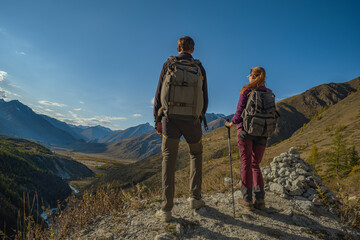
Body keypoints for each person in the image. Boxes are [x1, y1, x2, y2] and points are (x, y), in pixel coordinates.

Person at [153, 36, 208, 222]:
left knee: (168, 161)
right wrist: (198, 117)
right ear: (193, 49)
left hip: (170, 120)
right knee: (196, 155)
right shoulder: (199, 67)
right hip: (192, 120)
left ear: (178, 47)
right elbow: (204, 97)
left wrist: (157, 120)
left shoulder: (169, 64)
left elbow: (159, 93)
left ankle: (167, 209)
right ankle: (195, 198)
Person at [225, 67, 269, 211]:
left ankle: (247, 200)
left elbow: (239, 112)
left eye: (249, 76)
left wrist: (231, 123)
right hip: (262, 133)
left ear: (253, 77)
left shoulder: (246, 91)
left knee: (246, 164)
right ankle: (260, 200)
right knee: (255, 164)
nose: (248, 78)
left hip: (245, 131)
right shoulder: (268, 93)